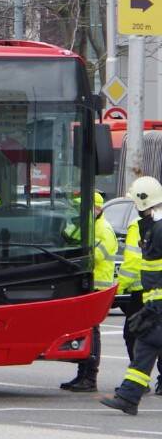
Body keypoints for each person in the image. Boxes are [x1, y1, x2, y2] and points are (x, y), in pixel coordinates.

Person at [102, 176, 162, 415]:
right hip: (154, 303)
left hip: (158, 304)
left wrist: (154, 305)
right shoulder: (153, 227)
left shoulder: (158, 230)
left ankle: (128, 396)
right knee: (147, 344)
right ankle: (128, 397)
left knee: (147, 342)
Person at [59, 192, 118, 392]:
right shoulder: (89, 225)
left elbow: (93, 257)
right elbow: (67, 238)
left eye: (82, 207)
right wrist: (76, 222)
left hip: (97, 287)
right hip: (85, 285)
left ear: (97, 209)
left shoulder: (104, 230)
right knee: (83, 330)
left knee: (92, 331)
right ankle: (81, 374)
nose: (79, 211)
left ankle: (90, 377)